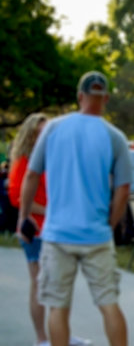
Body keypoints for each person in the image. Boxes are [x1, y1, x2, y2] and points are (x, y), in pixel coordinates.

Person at [17, 71, 130, 346]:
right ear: (106, 98)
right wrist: (111, 224)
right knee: (109, 304)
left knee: (58, 307)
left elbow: (31, 175)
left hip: (58, 234)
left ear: (80, 96)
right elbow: (123, 188)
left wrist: (24, 218)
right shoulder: (115, 137)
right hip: (96, 235)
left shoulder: (54, 128)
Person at [8, 113, 55, 346]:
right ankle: (41, 338)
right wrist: (49, 211)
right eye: (40, 131)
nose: (44, 136)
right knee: (38, 283)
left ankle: (60, 333)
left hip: (55, 230)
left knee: (57, 284)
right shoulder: (24, 160)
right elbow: (16, 197)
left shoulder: (52, 157)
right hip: (34, 228)